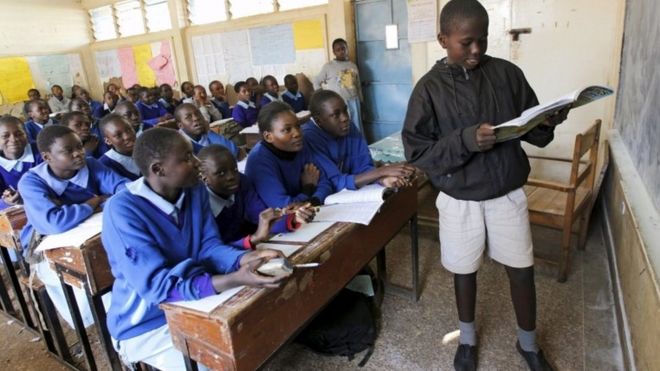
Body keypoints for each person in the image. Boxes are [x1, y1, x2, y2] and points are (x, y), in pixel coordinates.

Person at [401, 1, 570, 370]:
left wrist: (549, 121)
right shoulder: (428, 89)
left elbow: (534, 133)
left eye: (483, 39)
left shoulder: (508, 74)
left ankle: (528, 343)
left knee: (521, 270)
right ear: (443, 39)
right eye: (466, 42)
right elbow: (417, 152)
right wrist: (464, 141)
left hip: (506, 194)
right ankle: (467, 338)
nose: (477, 49)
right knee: (464, 272)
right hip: (459, 198)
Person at [101, 127, 287, 371]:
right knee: (215, 363)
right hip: (148, 322)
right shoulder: (122, 211)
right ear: (159, 169)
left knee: (259, 322)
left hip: (192, 300)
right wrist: (232, 279)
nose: (198, 162)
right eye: (187, 157)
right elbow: (159, 289)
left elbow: (207, 246)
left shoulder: (193, 190)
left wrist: (245, 257)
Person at [18, 125, 128, 329]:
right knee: (84, 281)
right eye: (68, 151)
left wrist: (70, 210)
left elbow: (124, 191)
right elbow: (53, 223)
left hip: (92, 236)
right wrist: (92, 203)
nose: (79, 153)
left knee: (116, 262)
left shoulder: (91, 165)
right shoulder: (31, 181)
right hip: (49, 250)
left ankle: (118, 318)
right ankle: (99, 324)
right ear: (47, 157)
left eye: (79, 146)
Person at [199, 144, 315, 249]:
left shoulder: (241, 183)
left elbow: (260, 217)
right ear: (204, 179)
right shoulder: (198, 206)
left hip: (245, 248)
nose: (231, 177)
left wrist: (291, 218)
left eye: (234, 169)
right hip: (225, 261)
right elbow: (211, 251)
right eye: (221, 173)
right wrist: (254, 238)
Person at [305, 90, 414, 191]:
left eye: (345, 110)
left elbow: (363, 166)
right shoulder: (309, 138)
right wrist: (381, 171)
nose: (345, 118)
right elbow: (335, 182)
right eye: (336, 115)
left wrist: (382, 179)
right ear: (318, 121)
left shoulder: (348, 127)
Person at [245, 101, 332, 208]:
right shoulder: (259, 160)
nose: (297, 133)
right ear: (268, 137)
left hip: (307, 212)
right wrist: (308, 188)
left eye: (298, 126)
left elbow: (325, 183)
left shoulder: (299, 145)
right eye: (287, 130)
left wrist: (312, 201)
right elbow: (284, 207)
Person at [313, 38, 364, 133]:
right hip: (338, 103)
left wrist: (361, 100)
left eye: (343, 48)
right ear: (334, 52)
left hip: (354, 101)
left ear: (347, 49)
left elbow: (358, 84)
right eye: (338, 50)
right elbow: (316, 81)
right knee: (342, 126)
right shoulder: (328, 66)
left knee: (356, 127)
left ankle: (357, 146)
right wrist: (323, 98)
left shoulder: (352, 65)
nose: (341, 51)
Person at [0, 116, 42, 210]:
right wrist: (6, 202)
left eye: (19, 134)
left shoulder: (41, 151)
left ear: (26, 135)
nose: (13, 140)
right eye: (5, 136)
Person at [175, 103, 240, 158]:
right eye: (188, 117)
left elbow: (234, 152)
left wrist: (209, 132)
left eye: (197, 114)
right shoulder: (180, 145)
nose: (196, 118)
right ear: (180, 125)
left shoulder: (205, 134)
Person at [99, 114, 140, 180]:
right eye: (118, 135)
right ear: (108, 141)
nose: (127, 137)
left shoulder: (147, 150)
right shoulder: (104, 165)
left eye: (129, 130)